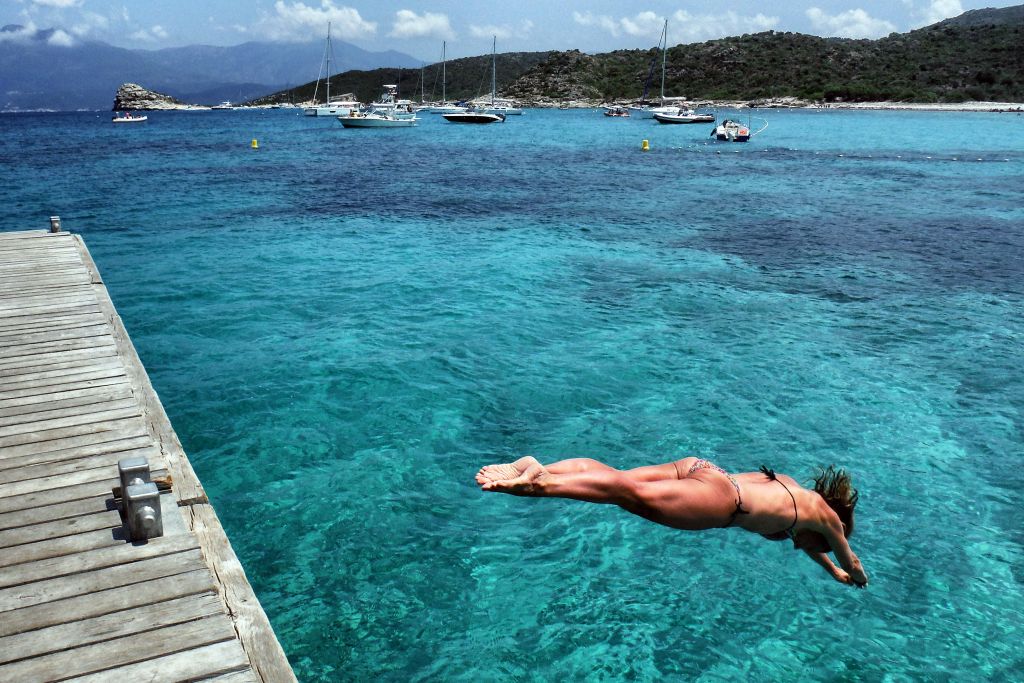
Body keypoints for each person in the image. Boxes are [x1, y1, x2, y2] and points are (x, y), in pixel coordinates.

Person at [476, 455, 868, 588]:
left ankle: (543, 468)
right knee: (626, 496)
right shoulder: (829, 520)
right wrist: (855, 576)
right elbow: (852, 560)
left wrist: (830, 571)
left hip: (703, 469)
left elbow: (811, 545)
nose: (803, 546)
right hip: (720, 501)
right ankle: (538, 485)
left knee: (621, 478)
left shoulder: (797, 491)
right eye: (819, 545)